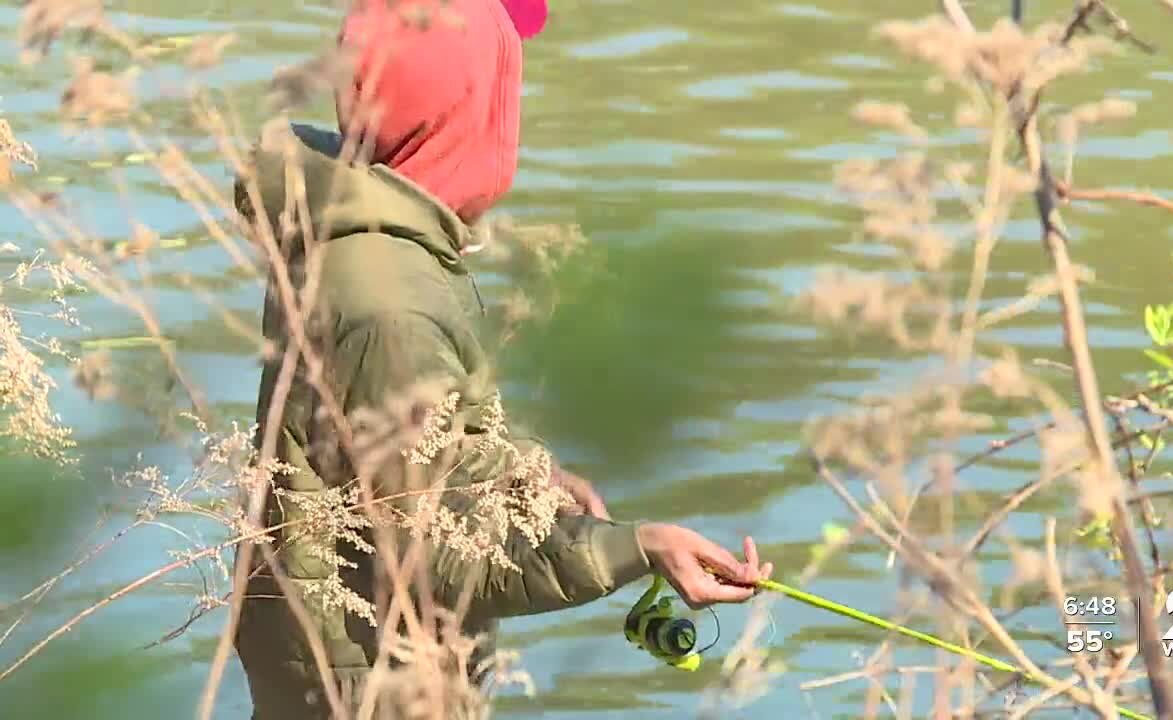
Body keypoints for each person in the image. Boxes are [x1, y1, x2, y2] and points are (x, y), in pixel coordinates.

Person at [231, 0, 771, 717]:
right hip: (367, 690)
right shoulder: (390, 301)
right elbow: (439, 553)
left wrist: (520, 472)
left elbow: (386, 455)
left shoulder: (373, 236)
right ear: (469, 118)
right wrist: (638, 548)